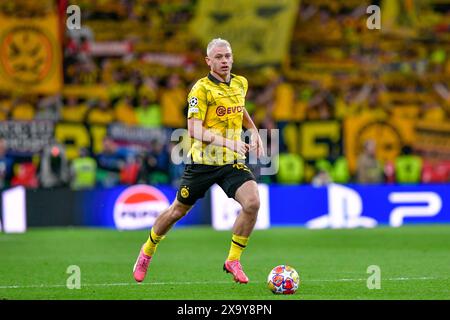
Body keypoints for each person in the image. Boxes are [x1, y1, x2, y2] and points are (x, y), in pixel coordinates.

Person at [133, 38, 265, 284]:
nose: (224, 60)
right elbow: (194, 130)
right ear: (209, 61)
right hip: (203, 162)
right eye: (218, 57)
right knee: (176, 211)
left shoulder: (240, 83)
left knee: (253, 202)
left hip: (230, 162)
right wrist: (230, 142)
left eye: (227, 56)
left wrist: (254, 131)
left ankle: (233, 259)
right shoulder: (200, 90)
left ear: (232, 58)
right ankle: (147, 250)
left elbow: (240, 108)